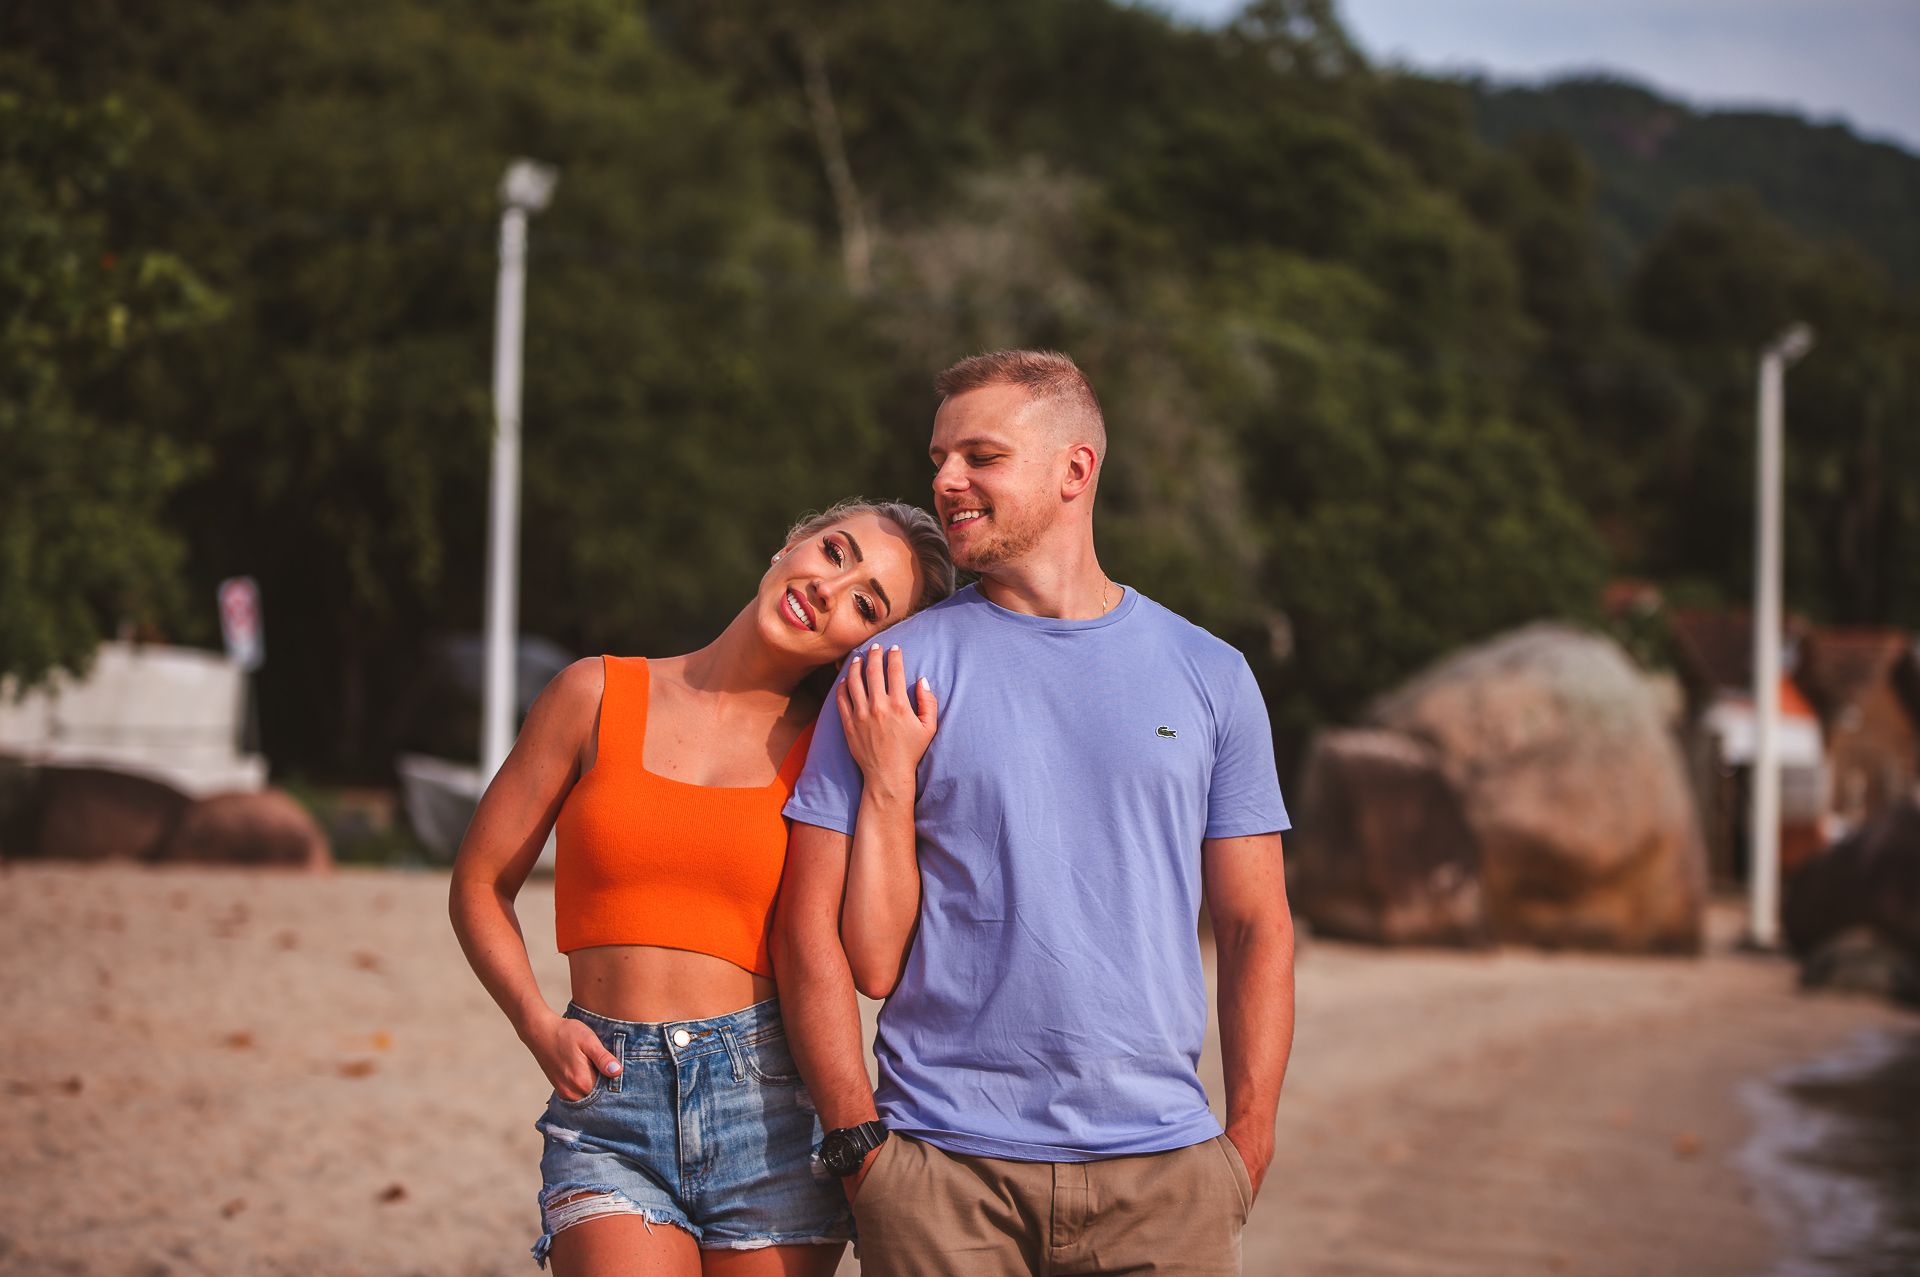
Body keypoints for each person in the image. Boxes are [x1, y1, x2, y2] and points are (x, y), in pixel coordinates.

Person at [773, 351, 1296, 1276]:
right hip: (942, 1174)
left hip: (1166, 1178)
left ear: (1074, 469)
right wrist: (860, 1146)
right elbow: (808, 925)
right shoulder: (890, 671)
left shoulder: (1212, 674)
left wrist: (1244, 1149)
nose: (944, 480)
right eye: (939, 457)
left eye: (980, 455)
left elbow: (1255, 924)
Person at [449, 497, 955, 1277]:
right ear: (791, 544)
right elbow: (482, 881)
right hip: (610, 1105)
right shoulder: (593, 693)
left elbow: (874, 958)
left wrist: (889, 776)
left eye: (866, 602)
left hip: (771, 1112)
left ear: (872, 643)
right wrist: (536, 1021)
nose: (829, 587)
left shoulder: (834, 755)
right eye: (834, 551)